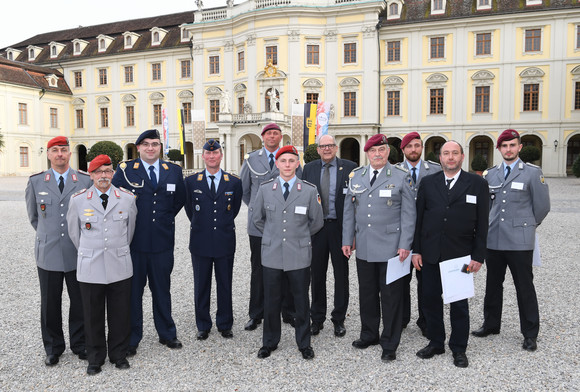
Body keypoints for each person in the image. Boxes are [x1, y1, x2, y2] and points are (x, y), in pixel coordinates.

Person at [412, 140, 489, 368]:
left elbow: (483, 224)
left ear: (462, 157)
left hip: (460, 255)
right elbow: (419, 220)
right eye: (446, 153)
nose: (450, 157)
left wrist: (478, 255)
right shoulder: (428, 183)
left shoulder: (477, 184)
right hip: (430, 254)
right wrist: (417, 250)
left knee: (459, 304)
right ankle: (436, 342)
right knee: (431, 301)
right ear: (440, 158)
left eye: (455, 153)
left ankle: (458, 348)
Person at [472, 129, 550, 352]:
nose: (508, 149)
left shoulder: (532, 173)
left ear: (519, 148)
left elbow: (542, 206)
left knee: (524, 287)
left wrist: (526, 226)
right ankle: (491, 324)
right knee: (492, 285)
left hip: (520, 241)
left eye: (512, 145)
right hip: (494, 239)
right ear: (499, 149)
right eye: (504, 146)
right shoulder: (490, 174)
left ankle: (530, 333)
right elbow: (485, 207)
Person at [342, 134, 416, 362]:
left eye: (381, 150)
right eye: (373, 151)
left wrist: (405, 244)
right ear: (367, 153)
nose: (377, 154)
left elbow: (409, 214)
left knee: (391, 296)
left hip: (392, 248)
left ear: (388, 152)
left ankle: (390, 342)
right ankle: (369, 333)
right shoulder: (356, 176)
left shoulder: (401, 177)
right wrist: (347, 239)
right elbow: (348, 212)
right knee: (367, 293)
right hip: (364, 245)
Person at [112, 129, 186, 356]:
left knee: (162, 290)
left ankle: (167, 333)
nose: (151, 148)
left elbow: (179, 200)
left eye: (155, 144)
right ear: (139, 148)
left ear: (160, 147)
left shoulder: (172, 171)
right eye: (146, 144)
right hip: (134, 243)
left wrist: (162, 220)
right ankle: (133, 338)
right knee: (133, 293)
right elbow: (115, 199)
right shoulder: (125, 171)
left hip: (162, 242)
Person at [67, 155, 137, 375]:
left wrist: (116, 249)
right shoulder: (78, 200)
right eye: (99, 172)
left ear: (113, 173)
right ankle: (95, 358)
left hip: (119, 263)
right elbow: (74, 234)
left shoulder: (127, 198)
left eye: (107, 171)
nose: (104, 176)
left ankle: (118, 354)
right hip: (91, 266)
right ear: (91, 174)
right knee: (92, 314)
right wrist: (92, 251)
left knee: (120, 313)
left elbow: (129, 231)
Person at [25, 136, 92, 366]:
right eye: (55, 150)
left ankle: (80, 343)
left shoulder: (83, 181)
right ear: (48, 154)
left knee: (80, 301)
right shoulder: (36, 182)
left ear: (69, 154)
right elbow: (34, 218)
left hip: (77, 251)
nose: (60, 154)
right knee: (49, 303)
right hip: (48, 252)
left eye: (64, 150)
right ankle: (53, 347)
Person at [252, 145, 324, 360]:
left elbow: (316, 222)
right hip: (272, 254)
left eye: (292, 161)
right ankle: (269, 342)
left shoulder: (309, 190)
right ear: (277, 163)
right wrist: (274, 237)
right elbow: (257, 220)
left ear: (297, 163)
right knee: (272, 301)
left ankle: (304, 343)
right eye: (283, 161)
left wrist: (297, 237)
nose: (287, 165)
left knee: (301, 302)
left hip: (299, 255)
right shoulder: (265, 189)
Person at [240, 123, 299, 331]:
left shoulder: (290, 157)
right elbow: (245, 190)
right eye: (268, 133)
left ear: (281, 136)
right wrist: (258, 209)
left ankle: (288, 312)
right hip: (259, 227)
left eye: (275, 133)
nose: (272, 136)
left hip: (287, 225)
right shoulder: (251, 159)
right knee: (259, 269)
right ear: (263, 137)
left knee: (288, 269)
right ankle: (256, 314)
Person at [184, 139, 242, 340]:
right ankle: (203, 324)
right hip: (200, 241)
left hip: (225, 241)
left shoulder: (234, 182)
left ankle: (225, 323)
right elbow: (190, 211)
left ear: (221, 155)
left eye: (215, 153)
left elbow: (233, 211)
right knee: (201, 285)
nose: (211, 156)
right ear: (203, 156)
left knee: (225, 284)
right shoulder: (191, 182)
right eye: (208, 154)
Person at [302, 134, 356, 337]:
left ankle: (339, 319)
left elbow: (355, 202)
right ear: (318, 149)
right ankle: (317, 318)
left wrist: (352, 235)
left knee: (341, 275)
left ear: (336, 148)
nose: (326, 149)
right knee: (317, 275)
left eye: (330, 146)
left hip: (340, 229)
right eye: (323, 146)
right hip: (316, 229)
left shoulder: (350, 168)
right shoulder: (309, 169)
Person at [396, 132, 441, 336]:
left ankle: (425, 320)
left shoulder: (436, 170)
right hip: (401, 235)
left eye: (417, 145)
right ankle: (402, 318)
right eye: (409, 146)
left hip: (427, 236)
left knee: (427, 282)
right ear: (403, 150)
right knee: (400, 281)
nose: (413, 149)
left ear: (422, 148)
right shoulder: (394, 171)